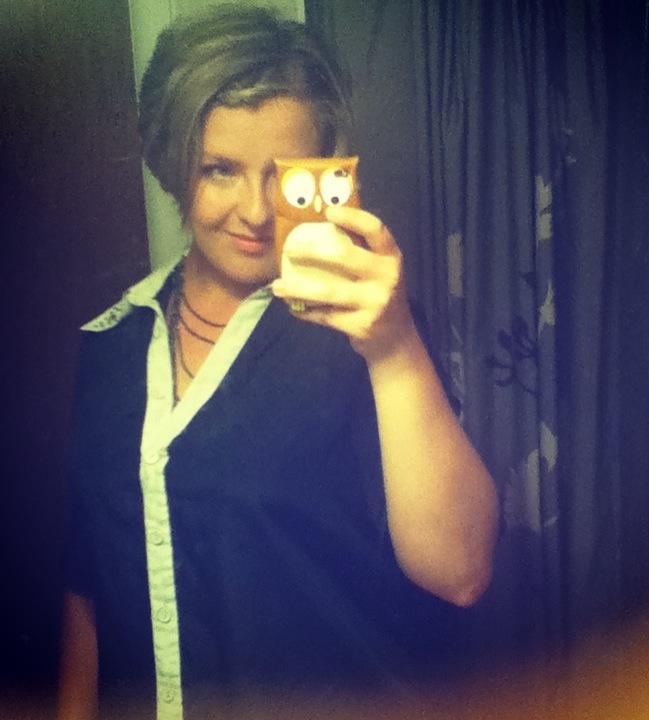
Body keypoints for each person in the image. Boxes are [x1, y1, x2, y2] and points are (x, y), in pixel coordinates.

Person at [57, 6, 498, 719]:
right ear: (171, 163)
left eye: (282, 176)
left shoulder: (360, 331)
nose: (257, 212)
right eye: (220, 170)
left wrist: (395, 348)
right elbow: (89, 586)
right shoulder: (110, 345)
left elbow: (461, 572)